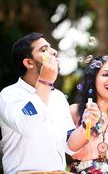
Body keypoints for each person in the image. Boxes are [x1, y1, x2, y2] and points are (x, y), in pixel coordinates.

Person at [0, 32, 77, 174]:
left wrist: (86, 126)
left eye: (51, 48)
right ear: (28, 62)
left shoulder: (58, 97)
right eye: (44, 49)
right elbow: (27, 126)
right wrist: (45, 82)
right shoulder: (9, 95)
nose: (53, 52)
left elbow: (70, 147)